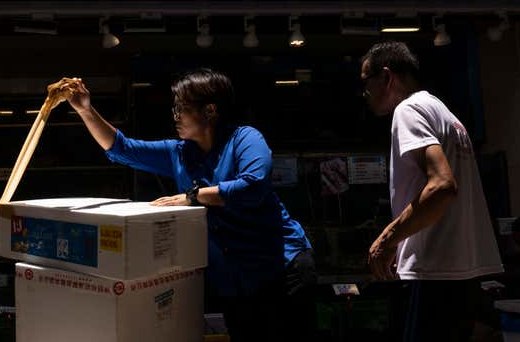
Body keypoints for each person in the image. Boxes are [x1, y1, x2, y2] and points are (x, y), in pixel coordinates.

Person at [55, 69, 314, 341]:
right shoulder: (178, 152)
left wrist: (193, 196)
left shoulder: (245, 139)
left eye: (182, 107)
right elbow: (123, 149)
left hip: (283, 269)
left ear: (210, 110)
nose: (175, 115)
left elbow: (252, 186)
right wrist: (85, 110)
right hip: (235, 281)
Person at [360, 41, 503, 341]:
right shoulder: (443, 112)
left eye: (366, 82)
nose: (364, 93)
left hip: (433, 273)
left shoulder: (408, 110)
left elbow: (442, 186)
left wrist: (387, 239)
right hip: (461, 274)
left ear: (387, 77)